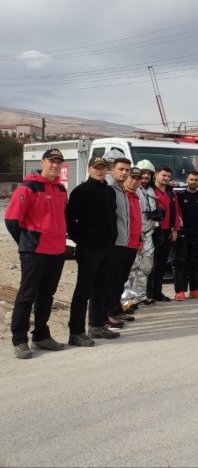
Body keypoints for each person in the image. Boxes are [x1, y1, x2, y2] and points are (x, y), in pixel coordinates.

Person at [5, 148, 69, 359]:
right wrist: (26, 243)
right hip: (35, 251)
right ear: (42, 163)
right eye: (51, 161)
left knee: (46, 295)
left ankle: (41, 335)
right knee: (27, 295)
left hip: (57, 251)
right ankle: (20, 339)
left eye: (58, 162)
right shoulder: (27, 188)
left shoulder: (60, 189)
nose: (55, 165)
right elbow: (12, 220)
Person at [66, 155, 120, 345]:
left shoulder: (109, 191)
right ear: (89, 169)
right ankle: (76, 332)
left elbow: (112, 218)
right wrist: (82, 240)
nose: (100, 170)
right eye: (96, 167)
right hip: (89, 249)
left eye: (103, 167)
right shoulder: (81, 191)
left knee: (101, 288)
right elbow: (70, 222)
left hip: (107, 248)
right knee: (84, 290)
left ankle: (96, 325)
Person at [106, 162, 142, 327]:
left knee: (121, 279)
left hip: (132, 243)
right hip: (119, 244)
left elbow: (135, 222)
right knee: (112, 279)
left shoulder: (134, 197)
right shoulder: (119, 194)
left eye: (137, 178)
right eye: (131, 177)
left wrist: (139, 240)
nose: (134, 181)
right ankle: (108, 313)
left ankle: (116, 310)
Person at [120, 166, 160, 309]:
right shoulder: (126, 193)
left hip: (148, 232)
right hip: (134, 235)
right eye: (136, 177)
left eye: (146, 175)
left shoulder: (149, 191)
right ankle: (126, 299)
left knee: (145, 267)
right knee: (131, 268)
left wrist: (156, 218)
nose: (142, 178)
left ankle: (140, 296)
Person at [173, 171, 198, 301]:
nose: (194, 182)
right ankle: (180, 290)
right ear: (187, 180)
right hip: (183, 234)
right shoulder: (180, 195)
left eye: (196, 180)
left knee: (197, 263)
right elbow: (176, 213)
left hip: (197, 235)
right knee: (181, 263)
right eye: (191, 179)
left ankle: (195, 289)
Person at [149, 166, 180, 303]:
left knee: (161, 264)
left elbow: (177, 212)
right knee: (149, 264)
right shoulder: (149, 191)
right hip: (152, 232)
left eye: (168, 176)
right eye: (164, 175)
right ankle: (146, 293)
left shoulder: (171, 193)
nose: (166, 178)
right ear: (156, 175)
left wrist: (175, 230)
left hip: (167, 232)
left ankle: (157, 292)